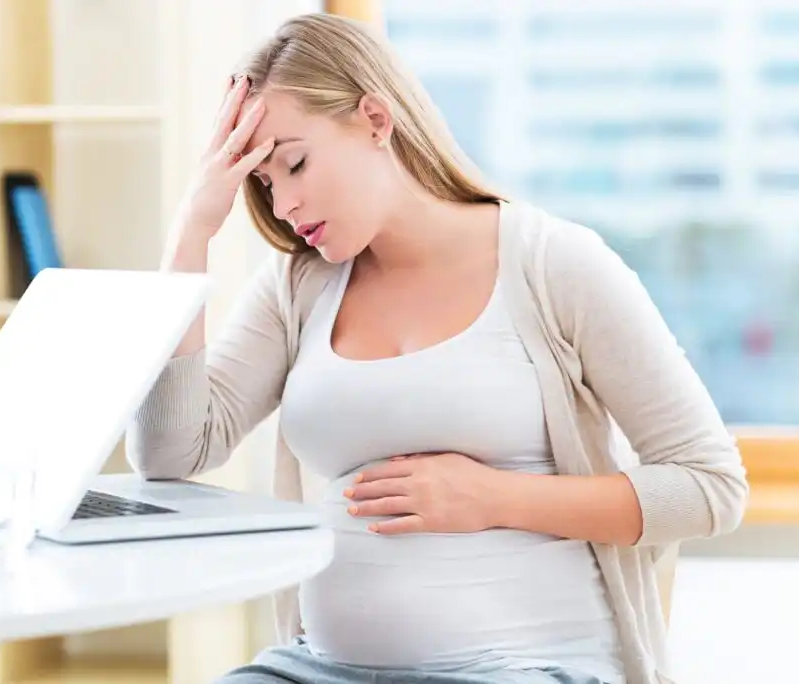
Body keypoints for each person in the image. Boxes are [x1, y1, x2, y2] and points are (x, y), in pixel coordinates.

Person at [129, 12, 748, 684]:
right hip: (319, 668)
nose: (283, 207)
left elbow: (709, 487)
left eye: (296, 164)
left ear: (374, 119)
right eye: (267, 184)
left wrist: (493, 497)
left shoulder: (553, 265)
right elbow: (171, 452)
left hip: (524, 667)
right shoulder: (298, 286)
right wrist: (190, 233)